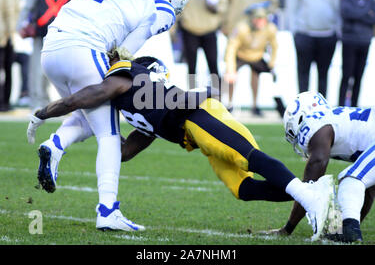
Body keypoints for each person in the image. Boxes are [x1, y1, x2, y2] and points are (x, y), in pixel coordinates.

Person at [28, 52, 335, 241]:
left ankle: (309, 196)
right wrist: (89, 132)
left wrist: (43, 113)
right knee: (243, 189)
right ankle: (314, 191)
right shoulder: (142, 114)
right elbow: (122, 152)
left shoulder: (125, 79)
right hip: (193, 132)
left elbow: (76, 99)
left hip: (199, 114)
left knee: (248, 159)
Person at [26, 0, 190, 232]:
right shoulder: (163, 5)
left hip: (51, 47)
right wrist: (125, 65)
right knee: (109, 134)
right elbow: (126, 49)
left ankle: (55, 145)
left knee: (88, 111)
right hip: (83, 47)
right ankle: (107, 211)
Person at [263, 91, 375, 243]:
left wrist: (288, 228)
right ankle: (349, 231)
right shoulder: (335, 119)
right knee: (361, 181)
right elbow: (368, 190)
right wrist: (347, 224)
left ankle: (350, 233)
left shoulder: (315, 126)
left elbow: (309, 185)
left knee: (351, 180)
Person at [17, 0, 75, 111]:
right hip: (40, 33)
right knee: (36, 69)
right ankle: (36, 100)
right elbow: (28, 7)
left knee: (50, 70)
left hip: (58, 36)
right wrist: (21, 25)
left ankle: (45, 99)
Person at [286, 0, 340, 97]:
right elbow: (291, 8)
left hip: (327, 33)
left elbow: (337, 8)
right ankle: (303, 108)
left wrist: (337, 31)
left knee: (323, 73)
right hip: (305, 33)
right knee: (303, 73)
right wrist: (295, 32)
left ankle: (322, 109)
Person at [179, 0, 226, 89]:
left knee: (213, 65)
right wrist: (175, 28)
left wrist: (216, 8)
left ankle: (217, 97)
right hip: (190, 28)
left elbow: (223, 4)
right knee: (191, 67)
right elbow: (179, 4)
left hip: (209, 29)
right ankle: (192, 97)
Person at [224, 6, 285, 116]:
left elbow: (274, 46)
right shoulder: (241, 28)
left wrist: (272, 63)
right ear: (252, 19)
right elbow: (231, 48)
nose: (259, 22)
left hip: (257, 55)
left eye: (262, 19)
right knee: (230, 77)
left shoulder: (270, 29)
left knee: (270, 77)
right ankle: (229, 104)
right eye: (257, 19)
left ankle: (262, 106)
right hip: (241, 54)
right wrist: (230, 69)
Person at [338, 0, 375, 107]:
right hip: (349, 42)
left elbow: (372, 18)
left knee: (359, 77)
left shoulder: (371, 0)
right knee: (346, 76)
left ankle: (354, 107)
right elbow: (347, 14)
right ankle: (341, 106)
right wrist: (365, 13)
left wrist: (358, 14)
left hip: (364, 42)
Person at [0, 0, 20, 111]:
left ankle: (5, 101)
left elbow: (15, 11)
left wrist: (13, 33)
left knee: (8, 69)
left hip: (9, 35)